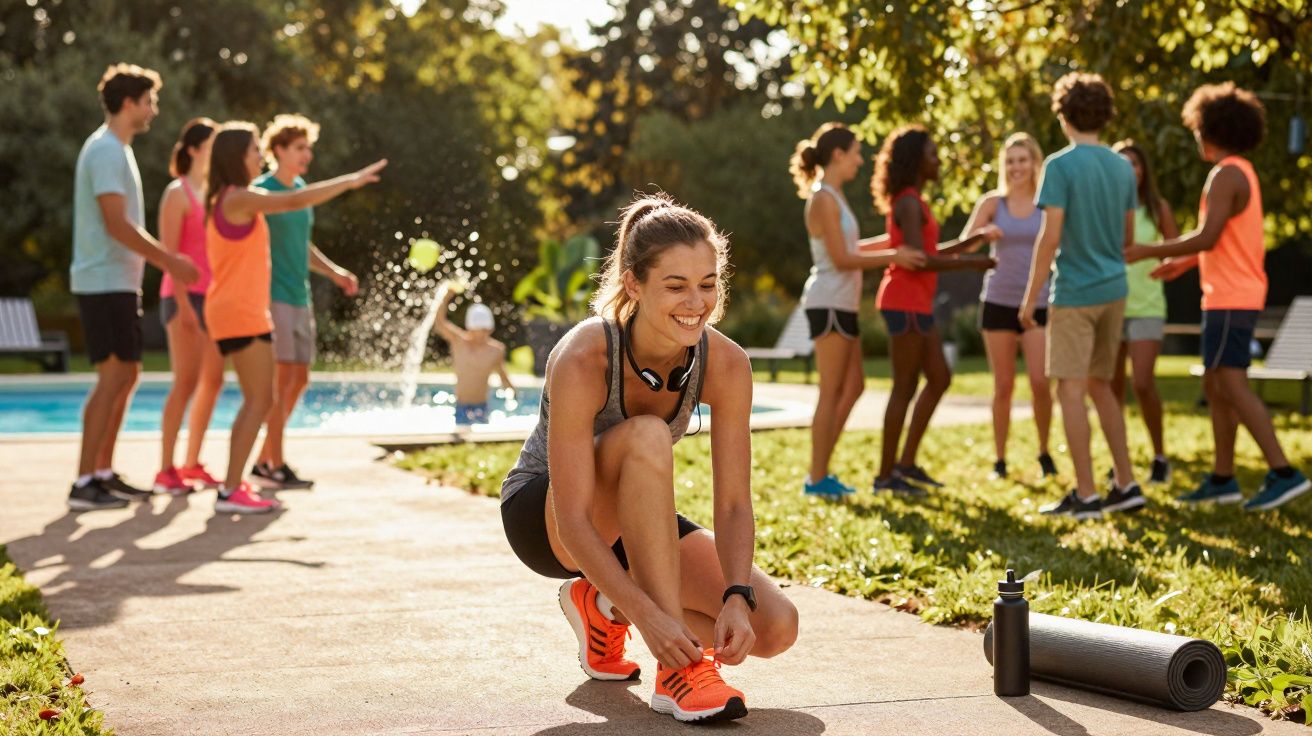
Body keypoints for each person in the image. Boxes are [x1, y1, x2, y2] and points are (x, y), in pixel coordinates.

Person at [499, 194, 798, 723]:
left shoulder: (726, 364)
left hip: (634, 521)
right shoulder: (584, 355)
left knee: (774, 626)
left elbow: (732, 504)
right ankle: (677, 674)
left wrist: (735, 596)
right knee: (647, 436)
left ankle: (601, 607)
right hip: (547, 516)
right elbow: (571, 520)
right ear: (634, 284)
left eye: (707, 284)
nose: (696, 302)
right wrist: (652, 617)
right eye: (676, 286)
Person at [1127, 83, 1309, 511]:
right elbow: (1224, 242)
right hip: (1225, 295)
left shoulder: (1227, 173)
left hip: (1232, 298)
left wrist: (1149, 249)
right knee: (1214, 381)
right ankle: (1223, 478)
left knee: (1230, 381)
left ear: (1210, 129)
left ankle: (1284, 472)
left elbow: (1207, 236)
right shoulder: (1239, 171)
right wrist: (1183, 264)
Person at [204, 121, 384, 513]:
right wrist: (350, 180)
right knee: (259, 400)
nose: (259, 155)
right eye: (254, 150)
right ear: (237, 157)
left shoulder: (233, 198)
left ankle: (234, 485)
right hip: (240, 313)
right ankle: (232, 488)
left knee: (261, 398)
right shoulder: (239, 198)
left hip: (243, 313)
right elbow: (291, 202)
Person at [69, 63, 200, 511]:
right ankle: (84, 482)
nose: (153, 110)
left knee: (127, 374)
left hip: (118, 282)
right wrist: (169, 261)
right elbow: (116, 224)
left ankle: (103, 474)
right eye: (149, 101)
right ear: (129, 103)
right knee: (112, 376)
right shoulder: (105, 150)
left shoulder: (117, 149)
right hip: (102, 280)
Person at [1020, 72, 1143, 520]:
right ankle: (1126, 483)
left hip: (1074, 291)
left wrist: (1029, 297)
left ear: (1063, 114)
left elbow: (1049, 238)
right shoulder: (1120, 166)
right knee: (1101, 387)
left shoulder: (1059, 165)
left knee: (1070, 391)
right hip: (1115, 290)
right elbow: (1127, 237)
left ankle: (1087, 493)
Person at [789, 122, 926, 497]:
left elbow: (852, 248)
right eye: (855, 152)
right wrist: (894, 255)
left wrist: (892, 242)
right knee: (831, 390)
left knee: (854, 386)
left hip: (841, 303)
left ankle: (821, 469)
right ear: (838, 154)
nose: (860, 160)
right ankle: (816, 479)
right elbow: (841, 258)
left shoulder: (834, 196)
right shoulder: (823, 198)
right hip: (829, 301)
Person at [870, 125, 999, 494]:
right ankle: (885, 476)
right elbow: (919, 262)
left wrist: (974, 241)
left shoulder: (914, 201)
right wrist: (972, 264)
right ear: (915, 160)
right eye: (932, 153)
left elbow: (928, 252)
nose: (938, 159)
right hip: (904, 301)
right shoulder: (908, 201)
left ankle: (906, 464)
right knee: (905, 386)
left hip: (916, 303)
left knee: (939, 377)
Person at [251, 115, 360, 490]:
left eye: (308, 148)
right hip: (273, 299)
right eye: (299, 148)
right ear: (278, 150)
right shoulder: (261, 191)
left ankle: (265, 458)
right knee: (281, 383)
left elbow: (303, 246)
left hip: (300, 297)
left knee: (299, 379)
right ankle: (274, 465)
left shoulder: (301, 190)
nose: (306, 155)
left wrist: (333, 272)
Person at [961, 133, 1058, 480]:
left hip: (1039, 301)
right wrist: (983, 232)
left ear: (1035, 163)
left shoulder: (1048, 202)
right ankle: (999, 460)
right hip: (998, 301)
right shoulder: (993, 202)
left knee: (1040, 382)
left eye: (1023, 160)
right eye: (1010, 161)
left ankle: (1044, 452)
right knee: (1003, 386)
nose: (1017, 167)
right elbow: (965, 245)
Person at [153, 117, 226, 495]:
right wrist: (182, 305)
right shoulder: (176, 193)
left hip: (213, 300)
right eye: (212, 144)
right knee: (185, 382)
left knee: (212, 382)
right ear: (195, 149)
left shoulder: (214, 192)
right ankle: (165, 469)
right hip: (182, 297)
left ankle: (193, 463)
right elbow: (169, 254)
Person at [1110, 140, 1179, 485]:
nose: (1128, 171)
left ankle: (1159, 456)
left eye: (1134, 164)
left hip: (1147, 307)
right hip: (1110, 305)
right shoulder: (1105, 206)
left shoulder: (1157, 207)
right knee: (1112, 388)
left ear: (1143, 170)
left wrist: (1156, 260)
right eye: (1121, 165)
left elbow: (1178, 251)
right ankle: (1118, 462)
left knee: (1142, 382)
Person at [429, 281, 515, 426]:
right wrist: (445, 297)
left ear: (490, 330)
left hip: (481, 407)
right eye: (477, 331)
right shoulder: (459, 341)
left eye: (485, 331)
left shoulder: (495, 350)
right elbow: (440, 323)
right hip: (461, 406)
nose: (481, 335)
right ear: (469, 328)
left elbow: (501, 373)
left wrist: (511, 391)